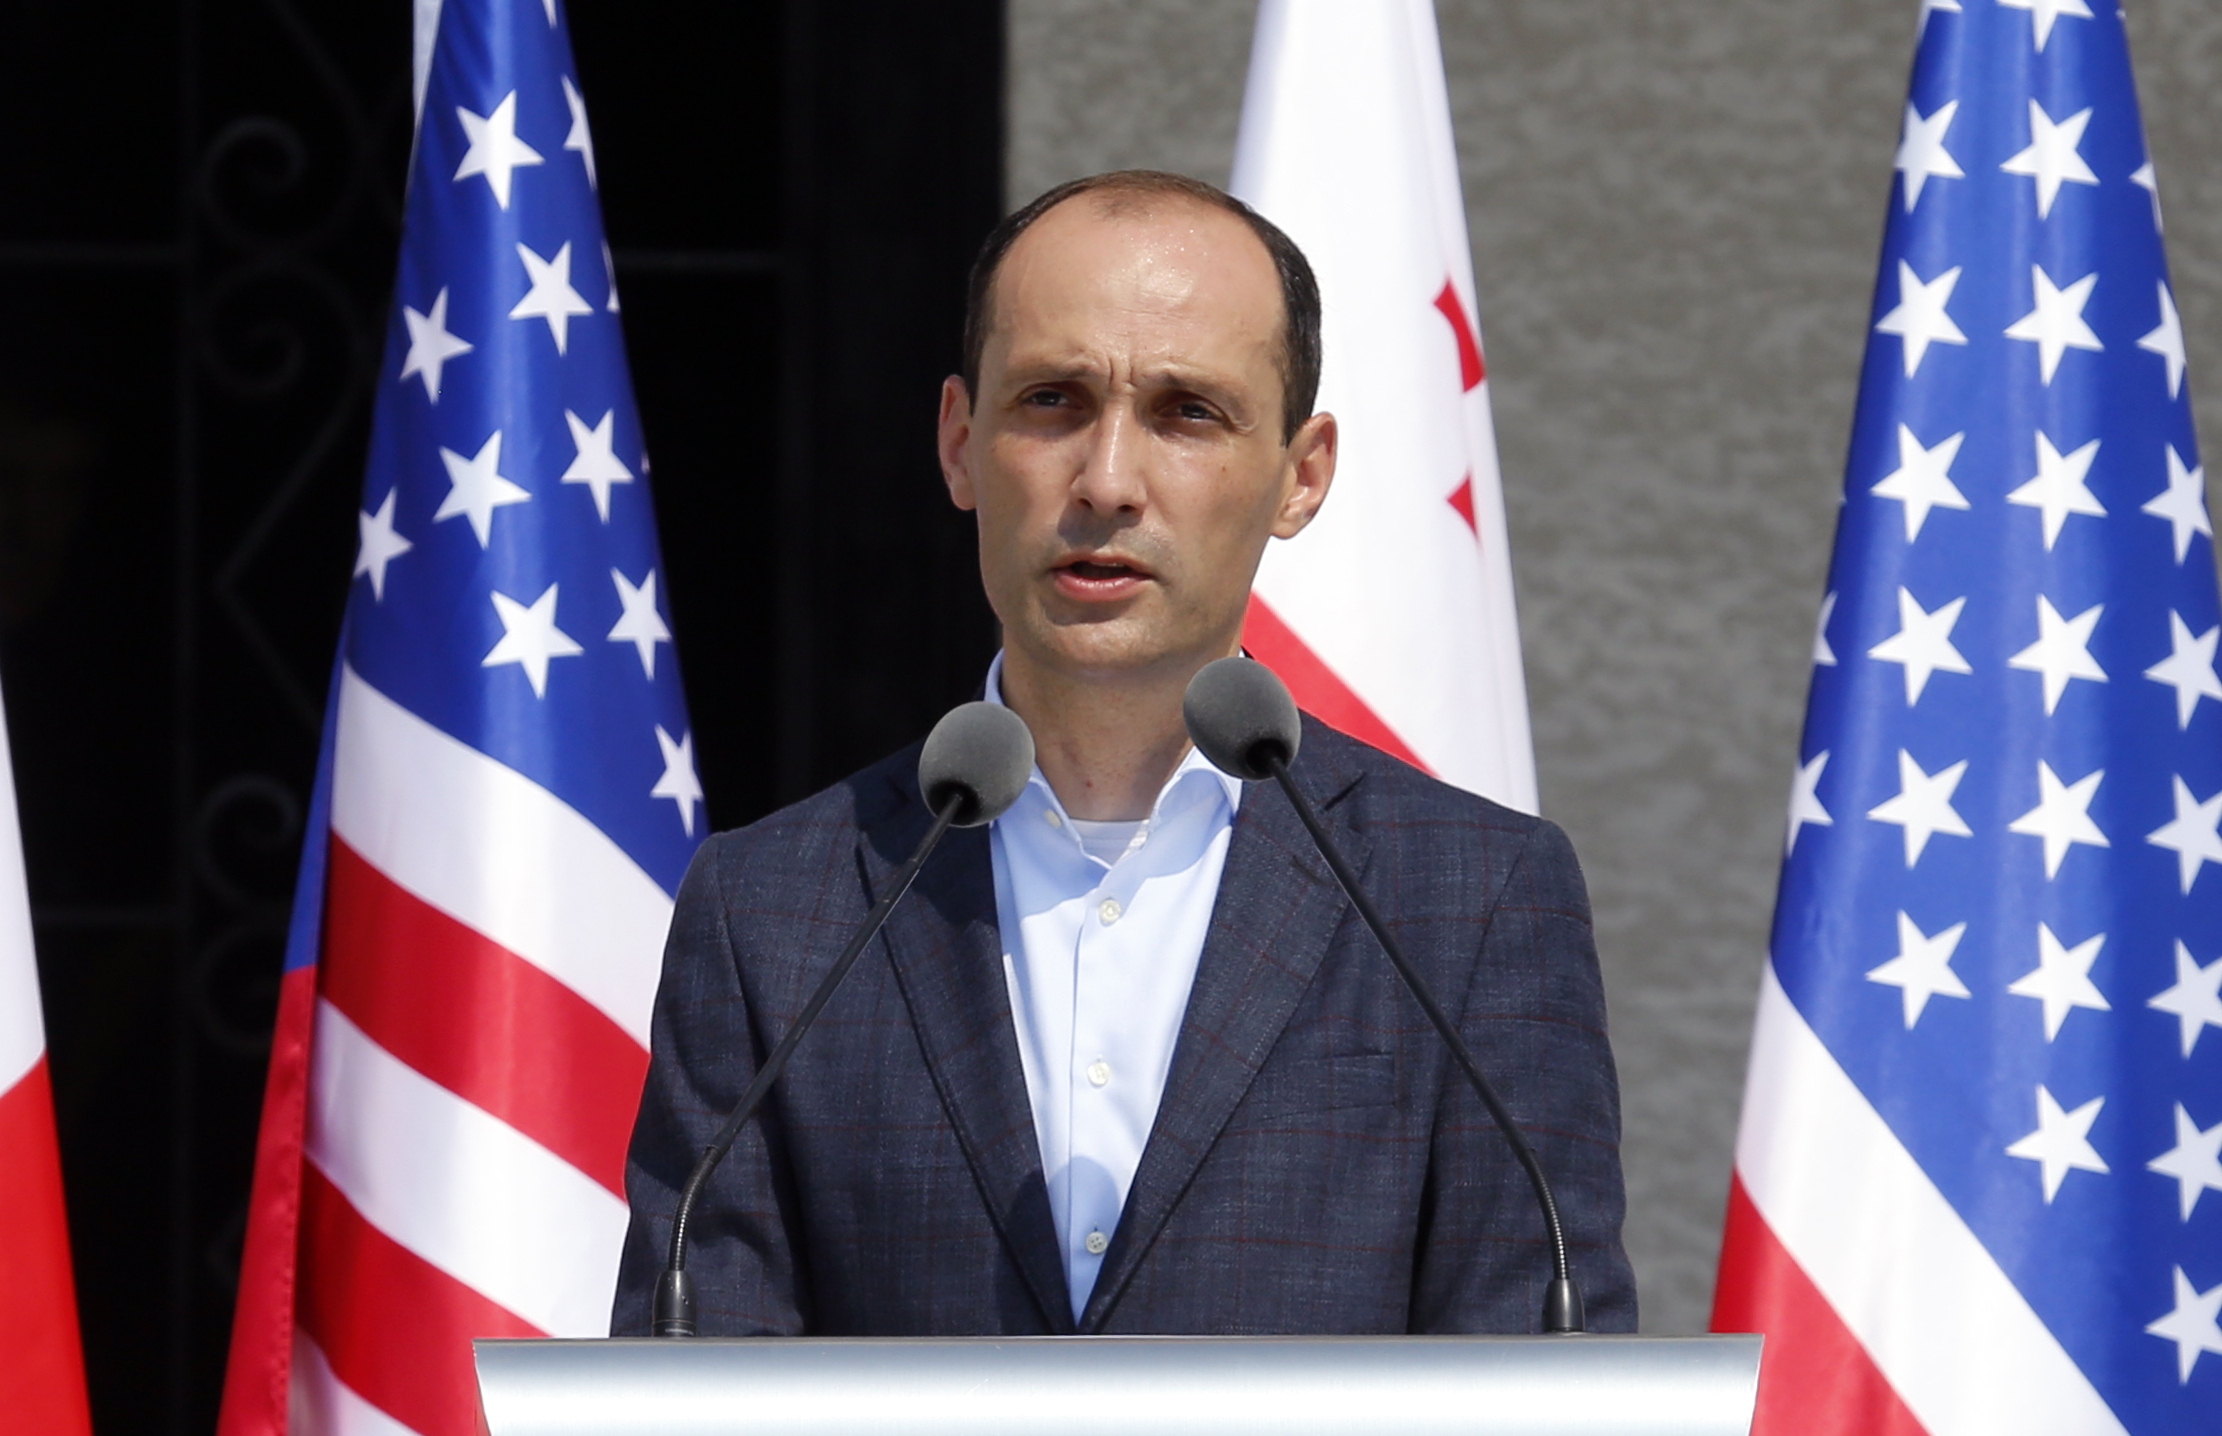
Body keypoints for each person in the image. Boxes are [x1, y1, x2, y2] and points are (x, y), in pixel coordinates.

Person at [611, 169, 1634, 1335]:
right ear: (958, 442)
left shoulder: (1467, 904)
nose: (1105, 481)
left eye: (1185, 413)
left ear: (1300, 476)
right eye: (1051, 401)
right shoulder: (770, 913)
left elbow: (1541, 1396)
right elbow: (692, 1396)